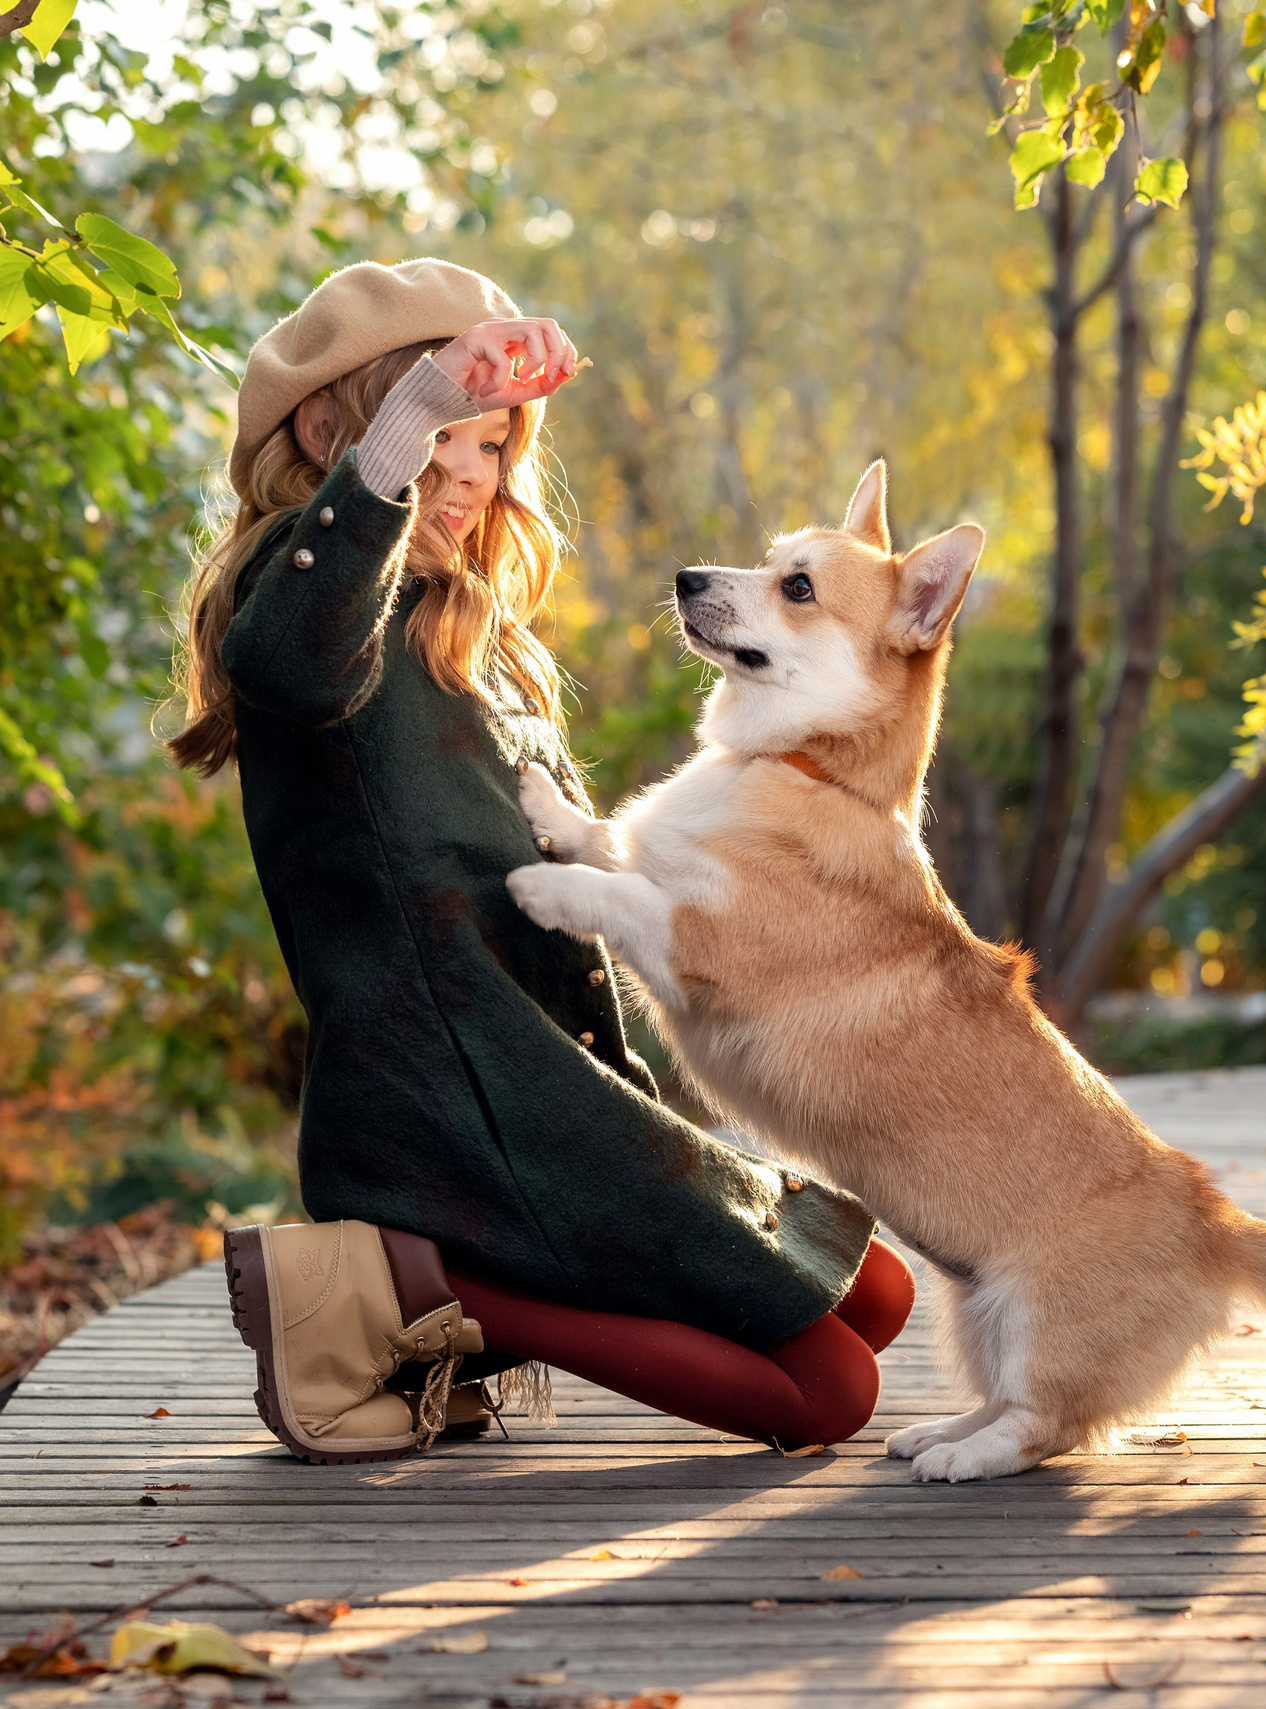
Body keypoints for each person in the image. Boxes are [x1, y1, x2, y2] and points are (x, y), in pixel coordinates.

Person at [172, 258, 913, 1462]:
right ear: (329, 427)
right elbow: (298, 663)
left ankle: (472, 1286)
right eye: (441, 435)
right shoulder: (299, 591)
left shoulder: (469, 617)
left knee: (876, 1294)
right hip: (447, 1086)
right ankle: (420, 1274)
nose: (469, 472)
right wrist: (406, 428)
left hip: (560, 1059)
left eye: (493, 444)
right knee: (827, 1393)